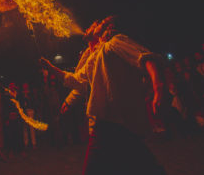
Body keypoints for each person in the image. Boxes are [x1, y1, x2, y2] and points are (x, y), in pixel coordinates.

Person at [40, 16, 167, 175]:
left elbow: (146, 58)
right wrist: (51, 68)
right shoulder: (93, 56)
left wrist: (158, 87)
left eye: (96, 24)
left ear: (108, 28)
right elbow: (77, 80)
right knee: (144, 166)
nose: (91, 26)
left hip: (113, 121)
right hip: (109, 122)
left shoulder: (115, 42)